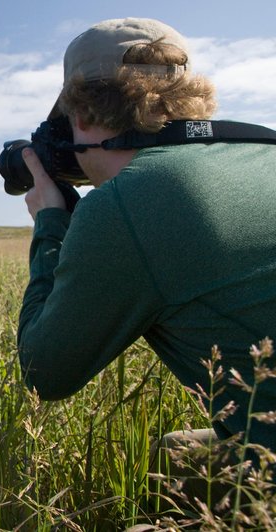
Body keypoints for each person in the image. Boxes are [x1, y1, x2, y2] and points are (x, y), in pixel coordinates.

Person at [15, 18, 276, 498]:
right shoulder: (264, 151)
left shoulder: (124, 206)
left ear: (84, 116)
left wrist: (51, 225)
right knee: (177, 451)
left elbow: (43, 375)